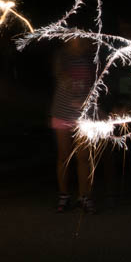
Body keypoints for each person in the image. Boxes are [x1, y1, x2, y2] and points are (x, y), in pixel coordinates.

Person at [51, 38, 96, 213]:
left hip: (84, 115)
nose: (76, 41)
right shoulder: (61, 57)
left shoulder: (90, 58)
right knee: (64, 156)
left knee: (83, 157)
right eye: (72, 38)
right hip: (62, 112)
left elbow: (94, 83)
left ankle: (85, 197)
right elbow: (60, 75)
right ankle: (64, 195)